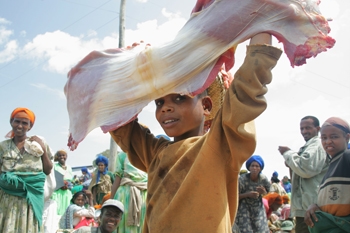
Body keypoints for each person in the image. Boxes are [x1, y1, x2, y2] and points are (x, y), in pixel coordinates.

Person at [109, 33, 281, 233]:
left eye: (180, 98)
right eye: (160, 102)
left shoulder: (220, 145)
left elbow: (247, 88)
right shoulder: (156, 152)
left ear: (206, 106)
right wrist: (128, 69)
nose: (166, 108)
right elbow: (118, 122)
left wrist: (262, 19)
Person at [0, 107, 53, 232]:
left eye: (24, 123)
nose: (20, 126)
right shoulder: (3, 146)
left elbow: (48, 170)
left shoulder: (37, 144)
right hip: (7, 197)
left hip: (30, 198)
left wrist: (43, 150)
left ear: (30, 126)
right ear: (11, 122)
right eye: (17, 121)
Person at [278, 116, 329, 233]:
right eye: (302, 129)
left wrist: (287, 153)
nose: (304, 131)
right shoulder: (310, 146)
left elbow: (306, 168)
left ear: (317, 128)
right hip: (306, 208)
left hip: (312, 209)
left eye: (308, 128)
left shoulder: (317, 144)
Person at [304, 117, 350, 232]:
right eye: (324, 138)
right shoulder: (330, 166)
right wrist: (314, 206)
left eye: (334, 137)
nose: (328, 141)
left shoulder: (347, 157)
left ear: (347, 137)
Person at [110, 151, 148, 233]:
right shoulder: (122, 155)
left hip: (144, 195)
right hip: (126, 195)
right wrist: (110, 202)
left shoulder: (151, 153)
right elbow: (117, 179)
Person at [235, 155, 271, 233]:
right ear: (249, 167)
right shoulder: (242, 179)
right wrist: (247, 194)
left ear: (260, 168)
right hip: (244, 209)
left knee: (260, 229)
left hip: (258, 208)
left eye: (257, 166)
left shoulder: (263, 179)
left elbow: (269, 193)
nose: (254, 168)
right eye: (252, 166)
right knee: (245, 230)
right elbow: (235, 197)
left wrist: (263, 192)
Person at [51, 149, 74, 216]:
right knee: (57, 208)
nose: (61, 157)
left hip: (67, 191)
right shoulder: (54, 166)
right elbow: (53, 177)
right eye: (59, 155)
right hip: (58, 190)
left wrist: (67, 184)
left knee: (67, 207)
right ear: (57, 157)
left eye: (63, 155)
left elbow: (71, 180)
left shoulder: (69, 167)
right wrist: (61, 183)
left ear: (66, 156)